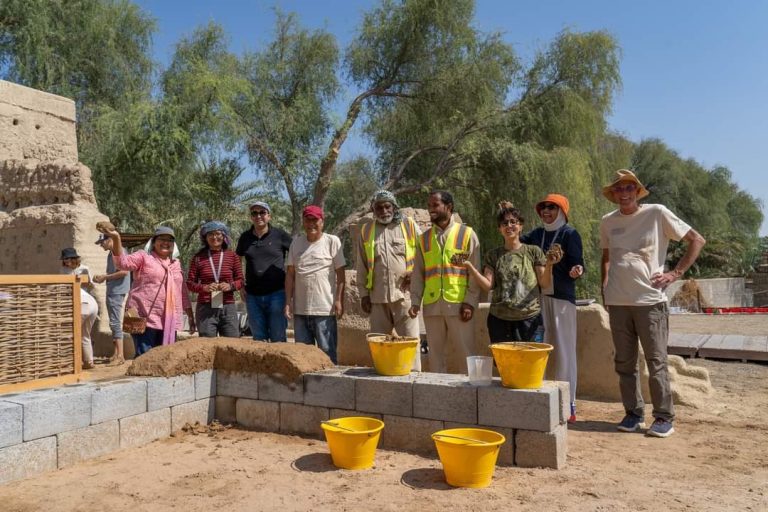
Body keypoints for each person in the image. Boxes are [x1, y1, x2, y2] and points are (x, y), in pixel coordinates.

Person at [600, 169, 705, 438]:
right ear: (613, 195)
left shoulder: (657, 212)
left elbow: (697, 240)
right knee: (624, 362)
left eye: (628, 188)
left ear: (637, 191)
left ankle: (663, 417)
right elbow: (607, 257)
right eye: (619, 189)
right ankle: (633, 413)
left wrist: (674, 274)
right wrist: (605, 287)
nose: (624, 193)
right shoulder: (607, 222)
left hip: (649, 301)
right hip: (618, 302)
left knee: (656, 360)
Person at [522, 194, 584, 423]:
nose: (547, 211)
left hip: (561, 298)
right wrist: (509, 216)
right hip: (537, 298)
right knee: (539, 349)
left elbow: (579, 262)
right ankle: (541, 399)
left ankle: (568, 403)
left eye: (552, 207)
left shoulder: (570, 234)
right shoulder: (536, 235)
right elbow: (516, 243)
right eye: (543, 208)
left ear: (562, 211)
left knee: (565, 350)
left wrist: (577, 270)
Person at [463, 201, 556, 344]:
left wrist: (549, 264)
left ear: (520, 226)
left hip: (530, 319)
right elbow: (488, 285)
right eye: (504, 223)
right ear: (499, 228)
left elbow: (544, 283)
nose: (509, 226)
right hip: (499, 320)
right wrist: (470, 267)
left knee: (530, 362)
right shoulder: (493, 255)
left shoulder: (533, 252)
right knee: (504, 363)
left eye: (513, 222)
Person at [408, 191, 480, 374]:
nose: (430, 210)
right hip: (432, 306)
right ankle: (438, 397)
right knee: (435, 357)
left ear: (448, 207)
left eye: (435, 205)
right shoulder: (423, 239)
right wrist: (415, 301)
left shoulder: (467, 234)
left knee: (466, 354)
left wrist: (470, 302)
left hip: (459, 305)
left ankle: (470, 396)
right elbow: (418, 274)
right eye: (429, 205)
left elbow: (474, 273)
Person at [101, 226, 196, 356]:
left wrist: (190, 316)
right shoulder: (143, 257)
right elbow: (122, 263)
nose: (165, 242)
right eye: (161, 239)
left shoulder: (175, 264)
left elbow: (182, 291)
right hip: (144, 319)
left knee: (166, 359)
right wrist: (116, 238)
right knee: (145, 358)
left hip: (169, 320)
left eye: (169, 240)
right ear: (153, 242)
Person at [355, 190, 422, 370]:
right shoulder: (366, 230)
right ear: (373, 210)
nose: (384, 211)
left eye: (387, 206)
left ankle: (414, 379)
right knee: (379, 345)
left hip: (405, 296)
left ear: (394, 207)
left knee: (410, 344)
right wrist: (363, 295)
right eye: (379, 207)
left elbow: (425, 255)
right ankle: (382, 382)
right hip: (377, 298)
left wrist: (414, 273)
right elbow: (361, 264)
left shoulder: (408, 225)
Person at [284, 205, 346, 363]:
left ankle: (330, 386)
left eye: (315, 220)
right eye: (308, 220)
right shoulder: (296, 244)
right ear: (303, 222)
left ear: (322, 222)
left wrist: (339, 300)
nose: (311, 223)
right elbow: (290, 275)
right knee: (303, 356)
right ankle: (306, 387)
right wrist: (288, 302)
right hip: (300, 311)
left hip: (324, 310)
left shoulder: (332, 241)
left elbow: (341, 275)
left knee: (327, 353)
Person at [236, 201, 293, 341]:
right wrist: (240, 285)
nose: (258, 216)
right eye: (254, 213)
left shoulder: (280, 235)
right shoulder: (245, 237)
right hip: (252, 296)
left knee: (278, 337)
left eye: (262, 212)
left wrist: (293, 285)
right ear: (251, 217)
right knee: (258, 338)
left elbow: (296, 256)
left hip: (277, 295)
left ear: (269, 216)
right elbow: (237, 261)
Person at [187, 221, 244, 338]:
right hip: (205, 307)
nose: (214, 237)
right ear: (205, 238)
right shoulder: (198, 258)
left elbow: (241, 280)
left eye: (218, 234)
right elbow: (189, 283)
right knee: (207, 345)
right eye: (210, 234)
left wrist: (230, 286)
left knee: (232, 344)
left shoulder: (232, 256)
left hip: (228, 306)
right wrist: (204, 288)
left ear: (224, 236)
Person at [93, 234, 131, 366]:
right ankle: (116, 354)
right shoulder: (113, 253)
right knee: (113, 323)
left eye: (102, 242)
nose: (101, 245)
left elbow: (124, 271)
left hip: (117, 290)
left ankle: (120, 356)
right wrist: (105, 277)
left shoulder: (119, 251)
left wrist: (105, 277)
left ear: (109, 240)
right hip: (113, 290)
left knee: (115, 323)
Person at [60, 248, 97, 369]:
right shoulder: (63, 270)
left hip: (83, 302)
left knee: (71, 332)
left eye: (68, 259)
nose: (66, 261)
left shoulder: (84, 269)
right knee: (84, 335)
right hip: (88, 302)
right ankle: (88, 361)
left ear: (74, 259)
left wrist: (80, 280)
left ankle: (69, 362)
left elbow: (90, 284)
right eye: (65, 259)